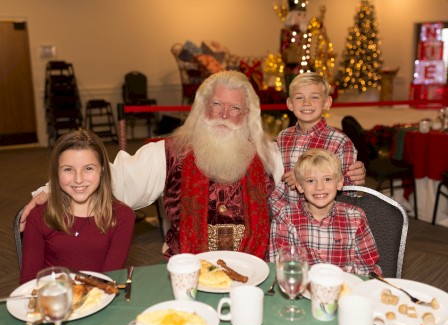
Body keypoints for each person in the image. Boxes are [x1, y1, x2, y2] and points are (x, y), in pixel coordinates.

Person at [21, 71, 366, 261]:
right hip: (189, 275)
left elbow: (311, 186)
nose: (224, 116)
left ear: (248, 115)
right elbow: (111, 179)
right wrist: (49, 191)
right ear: (201, 108)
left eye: (235, 109)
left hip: (257, 274)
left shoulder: (270, 154)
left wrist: (351, 174)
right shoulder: (168, 152)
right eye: (216, 104)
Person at [20, 130, 135, 284]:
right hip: (54, 300)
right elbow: (28, 282)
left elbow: (107, 280)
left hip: (99, 298)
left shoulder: (122, 216)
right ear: (56, 173)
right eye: (68, 169)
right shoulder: (40, 215)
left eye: (88, 168)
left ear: (102, 170)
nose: (78, 179)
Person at [269, 148, 382, 276]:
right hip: (303, 289)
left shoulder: (356, 218)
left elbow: (368, 265)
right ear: (300, 186)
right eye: (311, 181)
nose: (319, 187)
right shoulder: (285, 218)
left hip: (345, 289)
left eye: (327, 179)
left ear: (339, 183)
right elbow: (282, 268)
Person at [269, 72, 357, 217]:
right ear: (290, 104)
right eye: (299, 97)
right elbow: (277, 180)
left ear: (327, 103)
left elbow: (349, 189)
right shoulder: (283, 137)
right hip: (286, 217)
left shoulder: (340, 142)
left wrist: (304, 178)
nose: (306, 103)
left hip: (323, 219)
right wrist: (283, 213)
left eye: (314, 97)